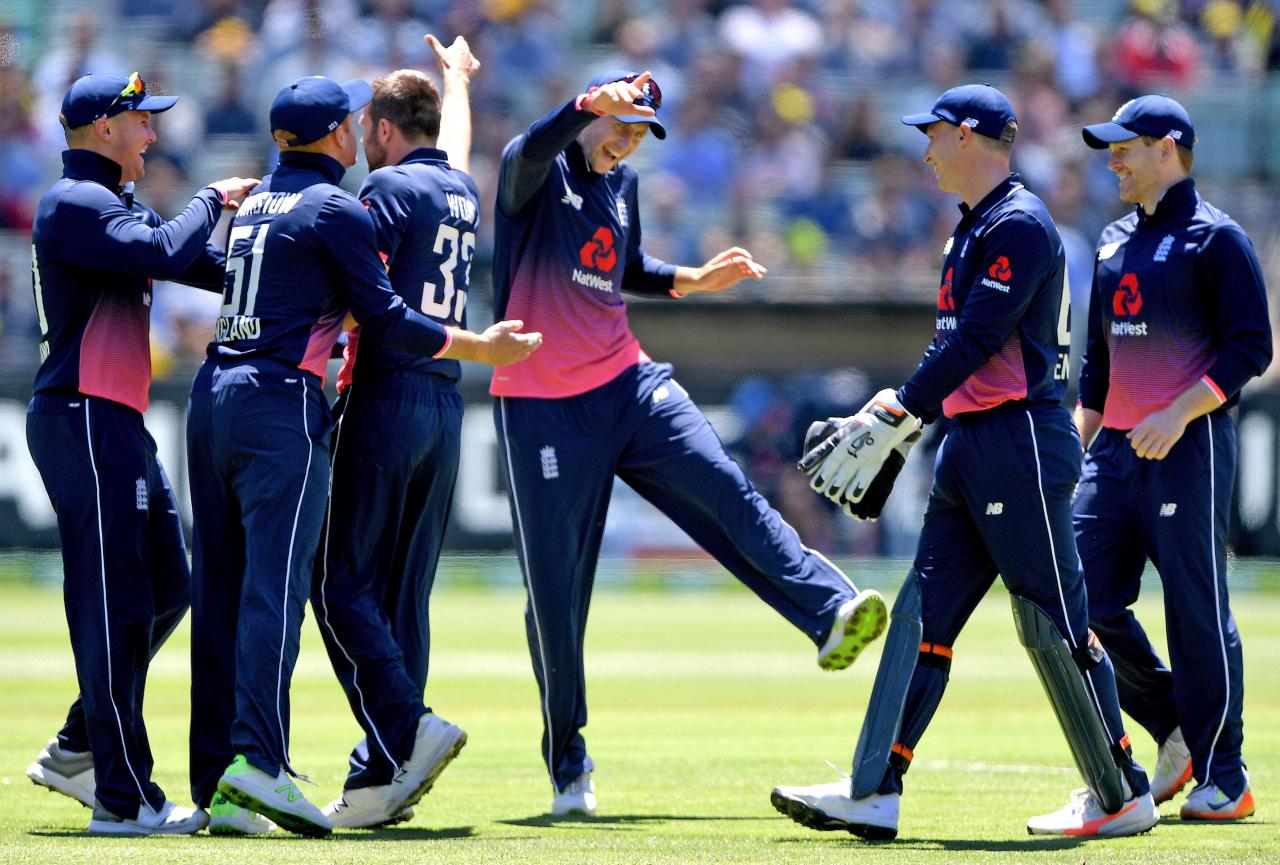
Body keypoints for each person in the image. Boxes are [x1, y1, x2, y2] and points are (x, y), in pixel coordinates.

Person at [491, 69, 888, 818]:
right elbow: (525, 156)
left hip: (628, 383)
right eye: (618, 124)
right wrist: (582, 106)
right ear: (585, 115)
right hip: (542, 404)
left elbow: (624, 268)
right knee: (554, 595)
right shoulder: (535, 171)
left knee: (725, 488)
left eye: (640, 131)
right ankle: (568, 761)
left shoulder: (623, 184)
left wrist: (693, 280)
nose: (627, 139)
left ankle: (830, 609)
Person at [771, 84, 1158, 839]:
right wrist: (909, 414)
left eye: (935, 134)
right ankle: (872, 788)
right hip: (972, 441)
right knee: (923, 616)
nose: (924, 148)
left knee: (1053, 623)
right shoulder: (973, 228)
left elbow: (977, 340)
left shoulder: (1020, 224)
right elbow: (956, 344)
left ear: (971, 137)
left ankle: (1122, 791)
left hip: (1019, 443)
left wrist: (900, 407)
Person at [185, 75, 540, 837]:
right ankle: (353, 749)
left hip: (217, 389)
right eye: (347, 120)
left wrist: (455, 83)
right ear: (335, 136)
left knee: (245, 587)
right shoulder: (361, 202)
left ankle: (239, 773)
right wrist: (481, 345)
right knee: (323, 590)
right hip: (337, 396)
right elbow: (380, 307)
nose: (357, 130)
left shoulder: (256, 207)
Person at [24, 71, 257, 835]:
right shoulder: (75, 202)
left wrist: (291, 273)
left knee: (165, 588)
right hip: (83, 416)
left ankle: (80, 743)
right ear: (101, 129)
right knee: (113, 602)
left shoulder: (112, 205)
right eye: (140, 122)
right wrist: (214, 200)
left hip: (112, 420)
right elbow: (166, 248)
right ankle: (122, 798)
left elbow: (203, 268)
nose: (152, 136)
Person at [1074, 95, 1270, 820]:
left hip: (1191, 448)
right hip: (1115, 456)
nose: (1113, 159)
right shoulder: (1111, 241)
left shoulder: (1217, 239)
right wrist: (1079, 439)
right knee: (1076, 603)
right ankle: (1173, 725)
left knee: (1196, 608)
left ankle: (1228, 773)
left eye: (1125, 146)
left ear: (1169, 147)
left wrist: (1178, 412)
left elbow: (1251, 347)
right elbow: (1098, 364)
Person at [314, 35, 484, 829]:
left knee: (338, 581)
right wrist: (458, 78)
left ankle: (401, 736)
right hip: (446, 404)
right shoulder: (460, 189)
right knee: (403, 596)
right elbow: (457, 142)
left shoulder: (384, 190)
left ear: (382, 129)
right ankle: (382, 774)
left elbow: (361, 294)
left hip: (385, 392)